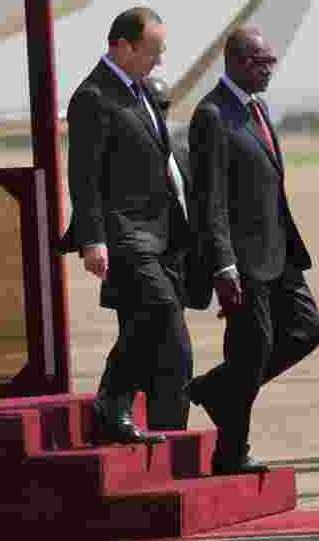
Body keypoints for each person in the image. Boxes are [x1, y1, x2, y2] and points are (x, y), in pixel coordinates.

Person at [185, 25, 319, 475]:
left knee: (307, 331)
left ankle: (215, 389)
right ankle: (230, 453)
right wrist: (222, 263)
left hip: (279, 253)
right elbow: (210, 199)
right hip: (242, 261)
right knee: (251, 352)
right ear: (237, 62)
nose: (270, 71)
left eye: (271, 63)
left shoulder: (257, 109)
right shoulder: (212, 115)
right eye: (262, 63)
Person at [58, 7, 189, 445]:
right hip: (122, 232)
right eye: (153, 51)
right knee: (159, 310)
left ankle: (127, 414)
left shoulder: (140, 91)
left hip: (158, 233)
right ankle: (113, 402)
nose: (159, 61)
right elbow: (84, 176)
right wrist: (92, 239)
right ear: (122, 46)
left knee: (151, 325)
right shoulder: (93, 96)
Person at [96, 76, 194, 430]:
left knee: (171, 364)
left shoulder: (182, 153)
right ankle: (112, 407)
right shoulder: (120, 153)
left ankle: (166, 438)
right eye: (151, 103)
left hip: (175, 273)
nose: (158, 111)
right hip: (136, 271)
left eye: (164, 105)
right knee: (173, 354)